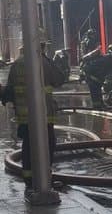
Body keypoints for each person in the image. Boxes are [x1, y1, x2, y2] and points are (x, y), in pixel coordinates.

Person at [1, 44, 65, 193]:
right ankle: (45, 180)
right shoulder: (43, 62)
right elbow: (59, 79)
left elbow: (9, 91)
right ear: (41, 47)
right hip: (44, 115)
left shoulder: (17, 64)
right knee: (47, 146)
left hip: (24, 116)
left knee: (28, 147)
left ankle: (30, 182)